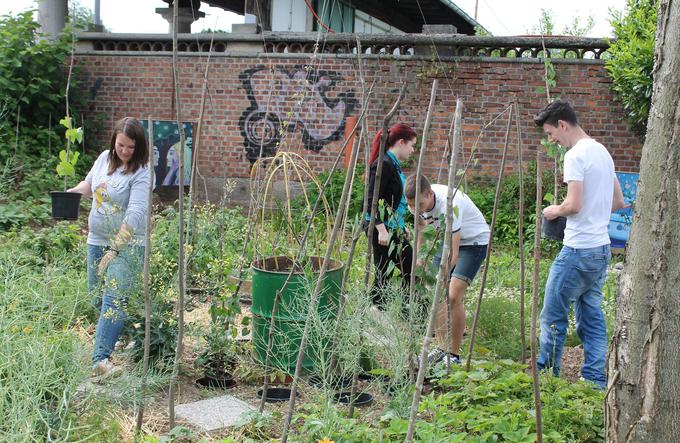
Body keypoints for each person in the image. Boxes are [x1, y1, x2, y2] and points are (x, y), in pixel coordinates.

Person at [534, 100, 625, 389]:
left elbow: (573, 204)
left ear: (562, 124)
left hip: (578, 250)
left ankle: (547, 378)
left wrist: (554, 210)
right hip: (601, 249)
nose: (552, 140)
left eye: (551, 133)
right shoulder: (602, 152)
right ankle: (595, 379)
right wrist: (592, 211)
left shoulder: (575, 155)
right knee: (592, 316)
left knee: (552, 314)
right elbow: (618, 202)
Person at [68, 117, 151, 377]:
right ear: (114, 142)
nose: (125, 151)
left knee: (113, 300)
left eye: (131, 147)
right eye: (121, 145)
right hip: (97, 239)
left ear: (140, 147)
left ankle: (100, 361)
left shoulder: (143, 170)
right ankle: (135, 333)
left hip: (128, 244)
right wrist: (72, 193)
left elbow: (136, 212)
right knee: (96, 299)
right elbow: (90, 184)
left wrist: (115, 250)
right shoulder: (105, 158)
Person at [405, 174, 489, 365]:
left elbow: (454, 252)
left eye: (417, 204)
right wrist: (419, 259)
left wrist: (440, 275)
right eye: (410, 205)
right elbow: (422, 230)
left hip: (473, 242)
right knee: (438, 294)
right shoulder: (416, 204)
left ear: (430, 194)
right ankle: (441, 348)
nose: (413, 209)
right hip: (444, 239)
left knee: (452, 294)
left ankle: (454, 354)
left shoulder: (450, 205)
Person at [364, 123, 416, 308]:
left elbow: (394, 202)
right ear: (401, 142)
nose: (412, 150)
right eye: (411, 145)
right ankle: (377, 312)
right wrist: (381, 229)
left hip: (393, 227)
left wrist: (402, 228)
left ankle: (403, 310)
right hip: (381, 228)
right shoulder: (383, 164)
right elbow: (370, 200)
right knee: (385, 271)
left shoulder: (393, 165)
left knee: (406, 268)